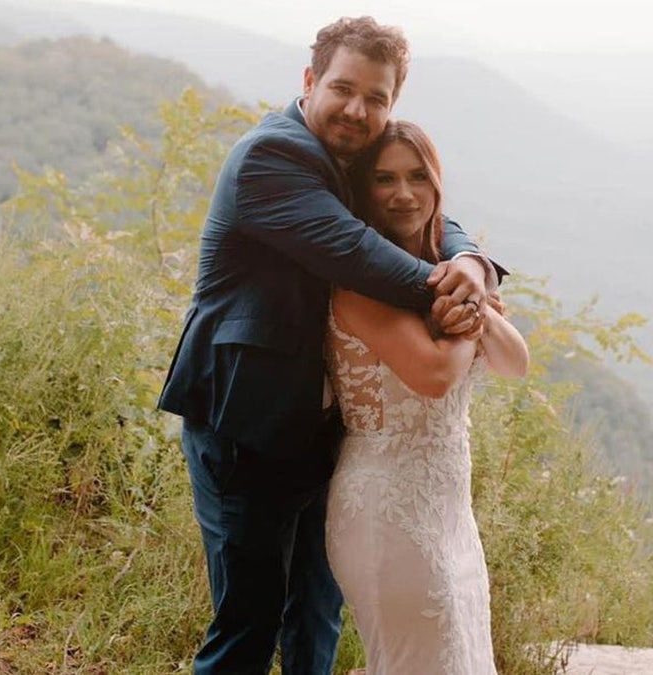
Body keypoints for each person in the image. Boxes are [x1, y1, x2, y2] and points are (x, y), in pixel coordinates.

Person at [156, 16, 500, 675]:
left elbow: (430, 209)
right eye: (343, 88)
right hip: (243, 422)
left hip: (324, 430)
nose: (357, 108)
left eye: (376, 98)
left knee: (315, 614)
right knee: (248, 622)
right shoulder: (271, 157)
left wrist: (473, 264)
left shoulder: (352, 158)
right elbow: (357, 252)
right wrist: (453, 295)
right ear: (309, 80)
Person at [325, 120, 528, 674]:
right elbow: (434, 375)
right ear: (363, 192)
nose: (404, 193)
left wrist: (472, 300)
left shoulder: (447, 276)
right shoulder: (357, 286)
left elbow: (517, 363)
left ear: (437, 184)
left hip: (448, 510)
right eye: (385, 179)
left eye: (418, 176)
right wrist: (468, 325)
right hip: (385, 509)